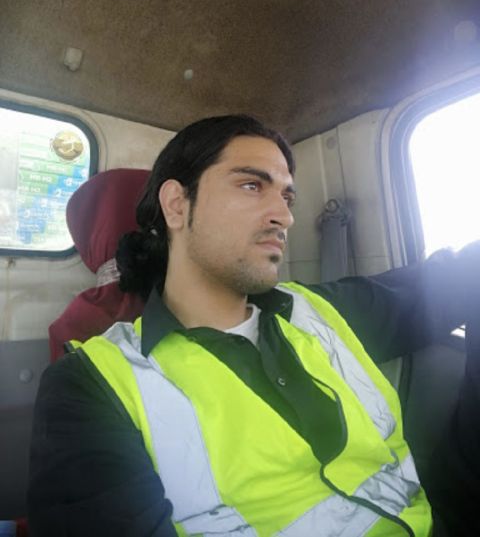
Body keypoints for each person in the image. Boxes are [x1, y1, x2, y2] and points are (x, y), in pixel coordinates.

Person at [28, 114, 479, 536]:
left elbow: (446, 283)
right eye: (251, 185)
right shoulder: (92, 383)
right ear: (177, 205)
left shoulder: (319, 308)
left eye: (287, 196)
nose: (284, 216)